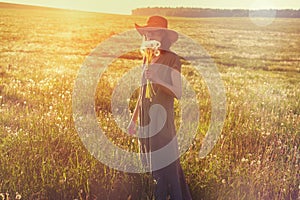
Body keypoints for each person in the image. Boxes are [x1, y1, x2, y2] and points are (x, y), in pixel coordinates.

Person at [128, 16, 192, 200]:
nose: (149, 35)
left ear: (162, 35)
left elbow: (178, 92)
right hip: (144, 121)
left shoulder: (172, 59)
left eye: (154, 31)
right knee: (149, 163)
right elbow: (142, 94)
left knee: (166, 164)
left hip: (162, 121)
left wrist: (157, 79)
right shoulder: (146, 58)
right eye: (148, 32)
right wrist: (133, 120)